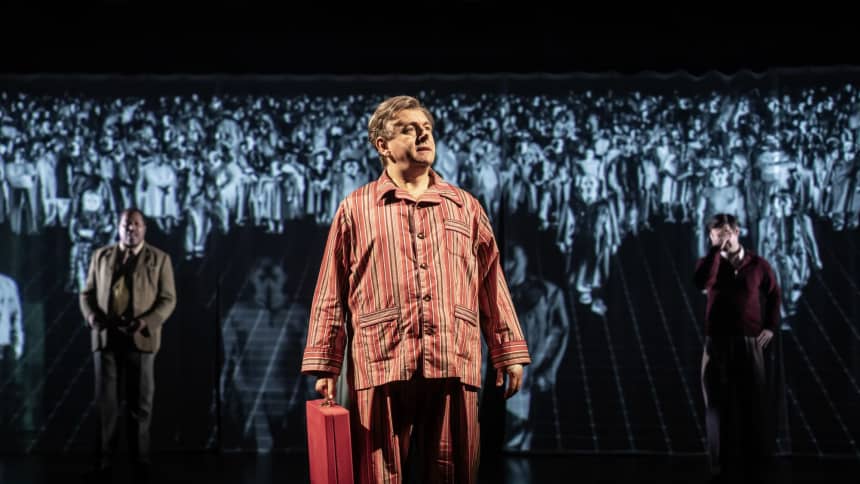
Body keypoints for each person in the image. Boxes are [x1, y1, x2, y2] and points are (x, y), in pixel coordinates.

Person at [301, 95, 530, 484]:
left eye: (426, 127)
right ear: (383, 146)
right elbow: (330, 291)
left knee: (454, 471)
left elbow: (491, 282)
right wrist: (326, 364)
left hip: (453, 358)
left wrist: (508, 350)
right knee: (376, 474)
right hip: (380, 360)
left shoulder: (465, 207)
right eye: (409, 128)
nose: (424, 133)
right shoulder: (355, 209)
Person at [79, 208, 176, 481]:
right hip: (106, 339)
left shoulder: (159, 259)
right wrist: (90, 316)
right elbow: (86, 293)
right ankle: (103, 463)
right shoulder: (101, 256)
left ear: (144, 228)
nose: (130, 229)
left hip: (141, 339)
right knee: (105, 404)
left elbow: (168, 299)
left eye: (135, 225)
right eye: (126, 225)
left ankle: (140, 462)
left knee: (140, 405)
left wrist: (147, 322)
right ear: (118, 227)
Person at [694, 213, 780, 483]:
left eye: (727, 232)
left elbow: (774, 293)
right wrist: (714, 255)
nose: (723, 238)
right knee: (715, 405)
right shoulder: (709, 263)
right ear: (710, 237)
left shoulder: (758, 264)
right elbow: (700, 283)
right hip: (716, 341)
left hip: (749, 341)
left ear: (738, 232)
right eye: (717, 234)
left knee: (753, 402)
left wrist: (770, 326)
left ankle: (755, 462)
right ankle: (718, 464)